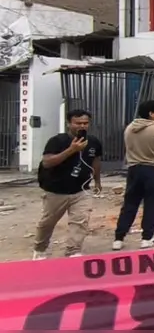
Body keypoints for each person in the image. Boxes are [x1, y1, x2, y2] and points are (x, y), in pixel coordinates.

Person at [32, 109, 102, 260]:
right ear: (69, 124)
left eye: (85, 123)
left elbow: (96, 160)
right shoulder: (57, 141)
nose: (82, 126)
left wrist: (97, 180)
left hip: (81, 190)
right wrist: (71, 150)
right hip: (56, 190)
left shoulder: (93, 141)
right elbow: (47, 162)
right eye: (78, 123)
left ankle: (73, 251)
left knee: (80, 221)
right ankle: (40, 248)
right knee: (48, 222)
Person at [113, 99, 154, 250]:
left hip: (134, 170)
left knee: (130, 204)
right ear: (151, 113)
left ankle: (118, 238)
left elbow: (147, 136)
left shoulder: (130, 128)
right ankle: (147, 238)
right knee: (152, 205)